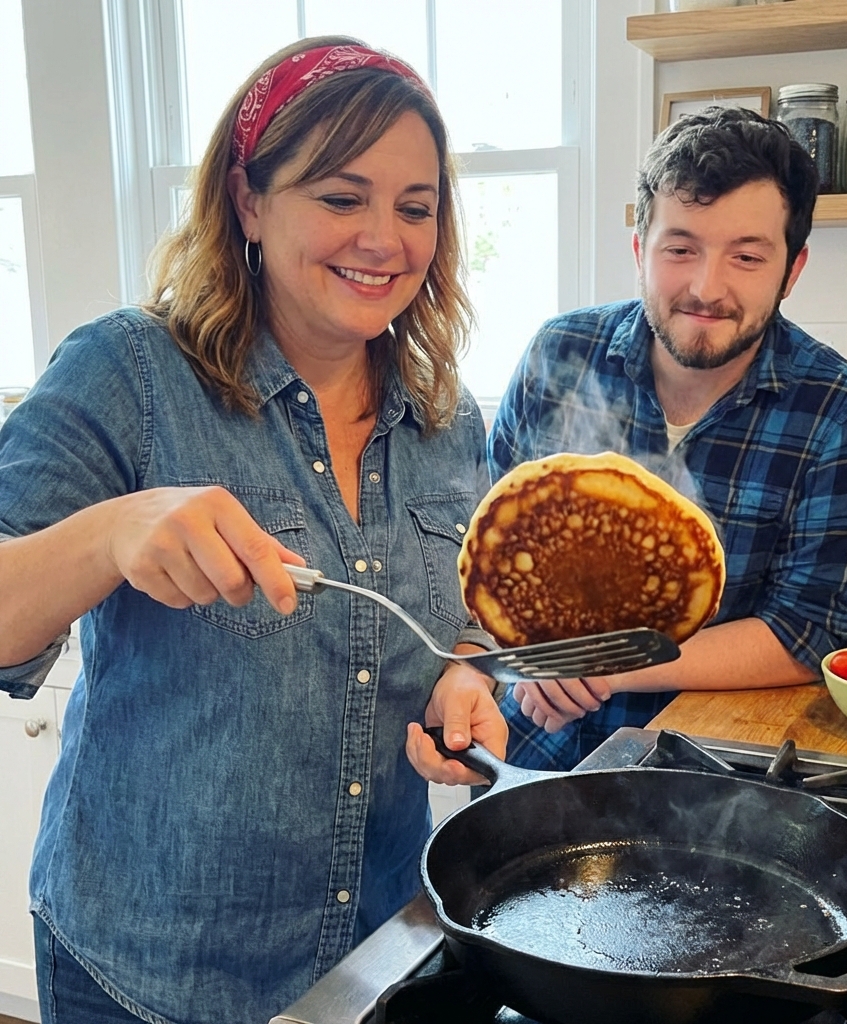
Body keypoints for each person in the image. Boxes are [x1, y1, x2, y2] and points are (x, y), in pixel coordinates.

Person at [0, 37, 505, 1024]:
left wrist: (465, 674)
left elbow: (458, 628)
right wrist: (114, 531)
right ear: (247, 201)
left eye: (415, 207)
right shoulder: (128, 374)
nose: (384, 237)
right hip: (148, 973)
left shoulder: (449, 417)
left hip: (374, 958)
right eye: (340, 195)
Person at [489, 107, 847, 771]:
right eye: (681, 248)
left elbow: (806, 633)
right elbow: (482, 557)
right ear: (640, 248)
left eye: (747, 256)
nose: (707, 287)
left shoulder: (839, 410)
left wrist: (603, 667)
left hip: (706, 778)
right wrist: (508, 662)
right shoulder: (557, 357)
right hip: (526, 748)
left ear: (792, 269)